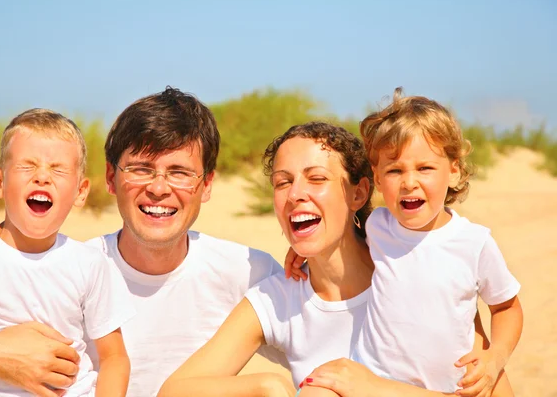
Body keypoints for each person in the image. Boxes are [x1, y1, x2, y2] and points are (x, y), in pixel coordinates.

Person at [0, 88, 289, 397]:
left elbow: (325, 336)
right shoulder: (65, 269)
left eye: (179, 172)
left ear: (207, 185)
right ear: (111, 179)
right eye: (141, 169)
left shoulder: (249, 271)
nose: (159, 188)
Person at [158, 121, 513, 397]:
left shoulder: (418, 273)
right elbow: (175, 391)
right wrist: (268, 386)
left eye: (317, 179)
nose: (296, 194)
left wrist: (377, 389)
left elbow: (489, 385)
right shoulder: (278, 299)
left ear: (359, 192)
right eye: (283, 182)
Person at [301, 89, 523, 397]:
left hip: (450, 386)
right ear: (377, 178)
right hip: (373, 381)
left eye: (425, 168)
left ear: (454, 169)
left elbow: (507, 308)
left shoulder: (474, 243)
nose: (409, 182)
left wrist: (495, 357)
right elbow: (334, 237)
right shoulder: (377, 224)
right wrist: (299, 254)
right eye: (394, 170)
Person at [0, 109, 134, 397]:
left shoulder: (89, 264)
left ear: (80, 192)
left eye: (58, 169)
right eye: (27, 166)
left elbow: (114, 358)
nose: (42, 177)